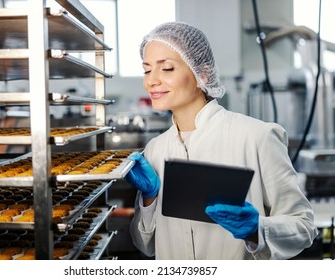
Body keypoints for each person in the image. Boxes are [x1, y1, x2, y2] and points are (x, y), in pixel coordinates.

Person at [125, 21, 318, 260]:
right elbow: (145, 246)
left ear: (202, 73)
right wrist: (149, 199)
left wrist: (256, 230)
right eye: (147, 70)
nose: (150, 81)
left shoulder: (256, 137)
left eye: (166, 69)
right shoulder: (155, 150)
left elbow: (304, 227)